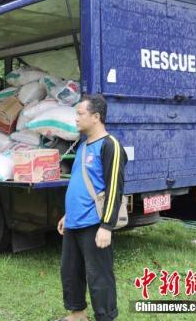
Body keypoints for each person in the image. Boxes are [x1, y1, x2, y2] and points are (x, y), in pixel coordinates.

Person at [56, 94, 127, 321]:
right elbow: (79, 182)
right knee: (71, 272)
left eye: (80, 114)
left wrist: (106, 226)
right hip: (74, 222)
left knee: (99, 276)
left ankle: (105, 317)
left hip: (94, 223)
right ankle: (78, 314)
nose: (76, 118)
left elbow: (114, 189)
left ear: (96, 117)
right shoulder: (83, 145)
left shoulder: (110, 146)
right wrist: (68, 215)